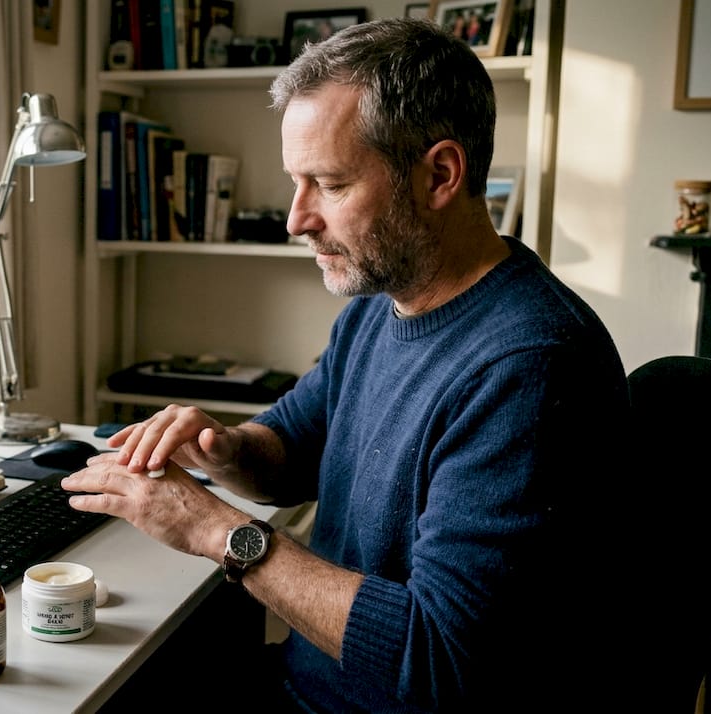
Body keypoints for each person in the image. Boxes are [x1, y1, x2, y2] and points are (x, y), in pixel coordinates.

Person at [63, 17, 633, 714]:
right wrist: (220, 447)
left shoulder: (530, 370)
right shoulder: (381, 304)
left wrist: (215, 530)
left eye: (328, 184)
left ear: (440, 175)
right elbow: (295, 452)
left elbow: (440, 659)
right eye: (294, 183)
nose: (296, 219)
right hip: (314, 685)